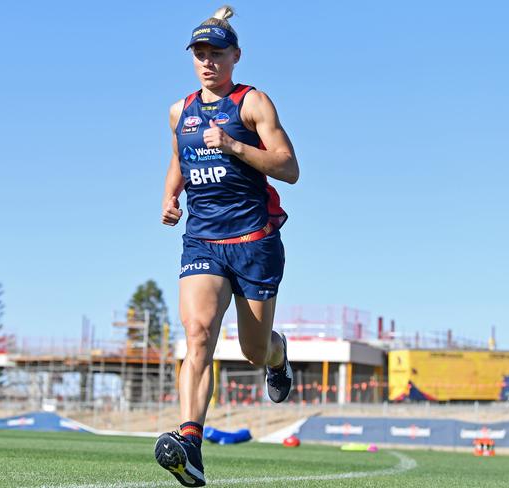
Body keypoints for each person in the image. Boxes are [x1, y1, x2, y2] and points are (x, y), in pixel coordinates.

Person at [154, 5, 299, 487]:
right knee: (197, 335)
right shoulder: (180, 111)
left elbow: (288, 168)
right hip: (203, 240)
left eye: (216, 52)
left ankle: (279, 359)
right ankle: (190, 443)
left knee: (255, 351)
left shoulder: (252, 103)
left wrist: (235, 147)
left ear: (235, 55)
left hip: (255, 241)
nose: (207, 61)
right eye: (199, 53)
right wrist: (170, 196)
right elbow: (180, 157)